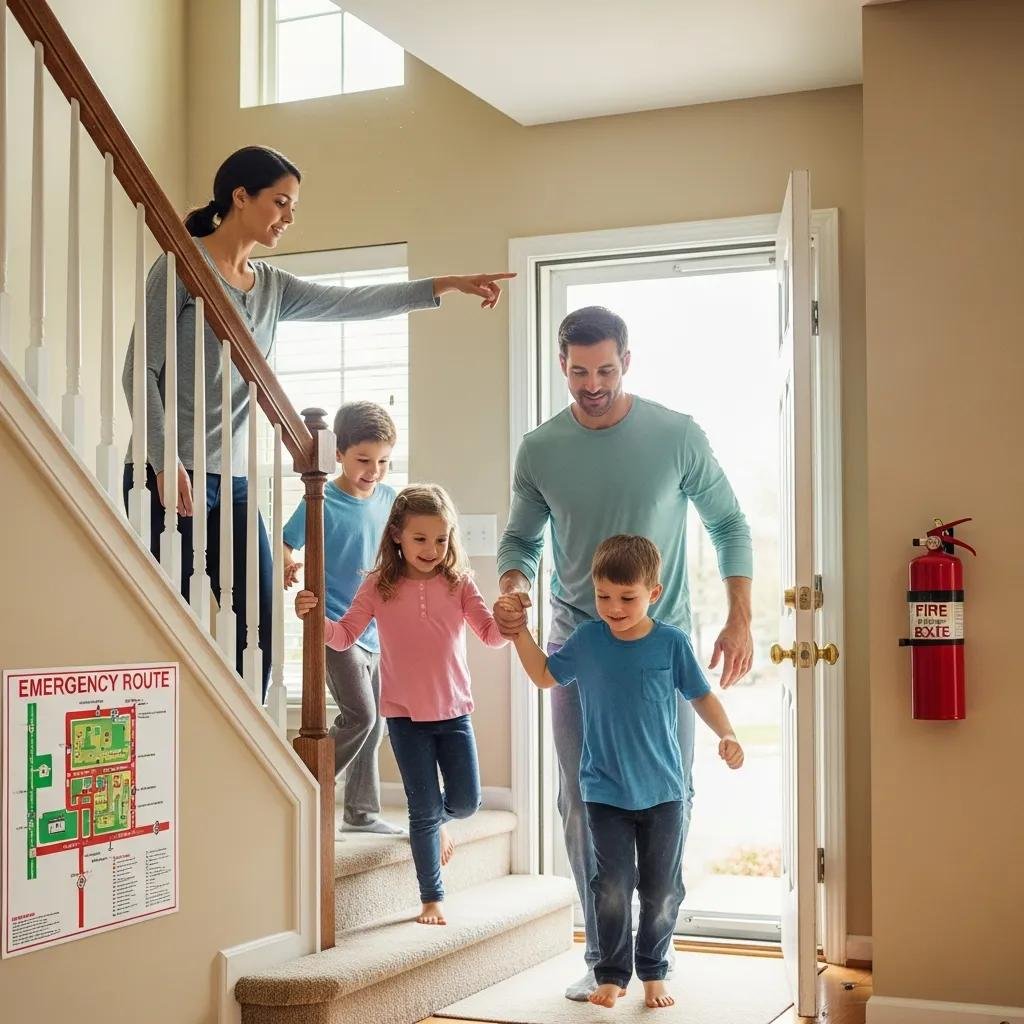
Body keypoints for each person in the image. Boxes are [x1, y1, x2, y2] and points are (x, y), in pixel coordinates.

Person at [122, 145, 513, 697]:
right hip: (168, 475)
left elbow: (352, 301)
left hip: (234, 483)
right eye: (280, 202)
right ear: (240, 197)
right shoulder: (180, 266)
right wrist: (163, 461)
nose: (288, 217)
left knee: (258, 621)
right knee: (169, 621)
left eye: (293, 207)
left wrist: (442, 285)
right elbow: (138, 372)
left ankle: (247, 733)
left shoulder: (272, 286)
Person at [493, 305, 753, 1000]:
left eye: (605, 369)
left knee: (670, 795)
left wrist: (739, 617)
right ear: (562, 365)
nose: (593, 384)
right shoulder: (541, 448)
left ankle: (656, 951)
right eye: (579, 371)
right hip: (577, 641)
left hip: (660, 648)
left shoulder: (677, 435)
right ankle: (603, 955)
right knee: (583, 802)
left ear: (627, 362)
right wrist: (513, 586)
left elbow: (729, 523)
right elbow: (520, 542)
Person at [503, 535, 744, 1009]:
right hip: (604, 792)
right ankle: (612, 974)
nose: (614, 608)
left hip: (664, 794)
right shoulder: (587, 641)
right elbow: (545, 675)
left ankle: (654, 971)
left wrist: (728, 733)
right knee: (610, 887)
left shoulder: (671, 643)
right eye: (604, 596)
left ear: (653, 593)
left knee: (662, 890)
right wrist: (519, 634)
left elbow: (701, 695)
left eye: (627, 598)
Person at [295, 484, 507, 925]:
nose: (432, 549)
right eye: (420, 539)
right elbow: (344, 636)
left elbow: (491, 635)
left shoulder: (460, 583)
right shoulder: (379, 585)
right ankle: (432, 897)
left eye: (441, 539)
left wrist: (511, 620)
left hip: (454, 714)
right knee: (421, 809)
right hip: (405, 717)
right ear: (396, 535)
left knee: (466, 802)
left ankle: (434, 824)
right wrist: (314, 618)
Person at [281, 401, 402, 836]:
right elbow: (286, 543)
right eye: (364, 460)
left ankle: (361, 812)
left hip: (377, 629)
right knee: (361, 716)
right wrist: (288, 565)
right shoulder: (322, 500)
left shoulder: (390, 499)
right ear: (339, 454)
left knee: (378, 721)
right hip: (334, 627)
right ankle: (304, 787)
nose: (374, 471)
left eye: (383, 462)